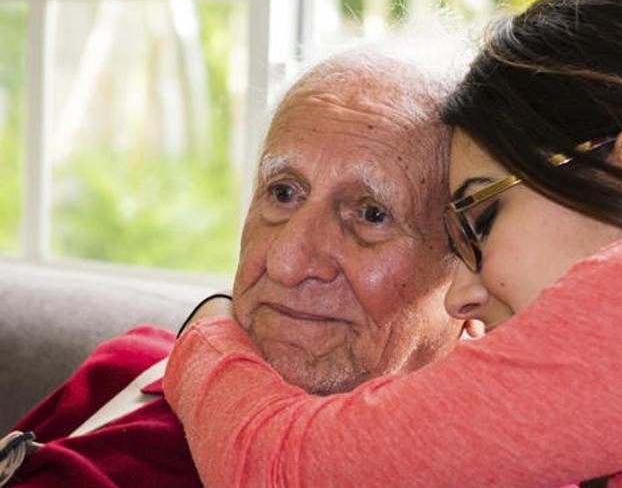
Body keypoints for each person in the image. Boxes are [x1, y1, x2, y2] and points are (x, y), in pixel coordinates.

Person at [163, 0, 622, 486]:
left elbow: (284, 469)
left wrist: (207, 331)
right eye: (282, 194)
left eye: (480, 218)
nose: (465, 293)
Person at [4, 48, 476, 487]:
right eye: (283, 192)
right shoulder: (128, 366)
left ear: (473, 272)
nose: (286, 261)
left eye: (371, 214)